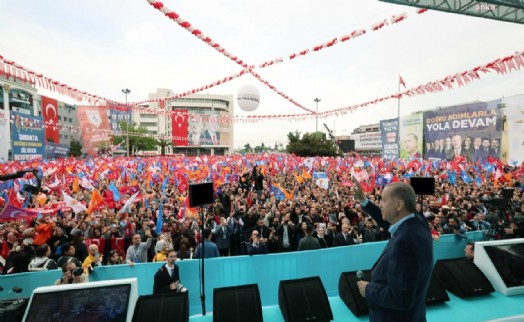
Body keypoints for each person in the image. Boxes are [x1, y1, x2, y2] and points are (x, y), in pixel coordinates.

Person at [353, 177, 433, 322]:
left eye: (383, 200)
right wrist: (364, 201)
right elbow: (389, 221)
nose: (380, 204)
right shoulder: (418, 223)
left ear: (398, 205)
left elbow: (400, 298)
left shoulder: (404, 243)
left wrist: (368, 289)